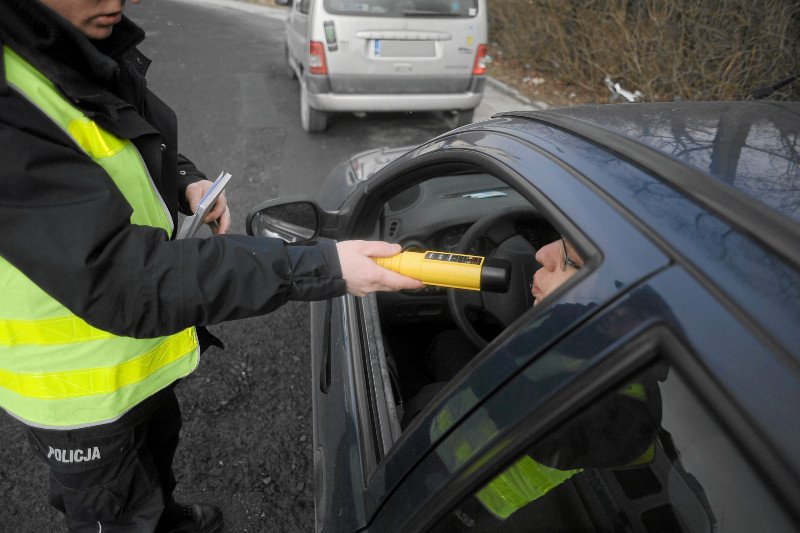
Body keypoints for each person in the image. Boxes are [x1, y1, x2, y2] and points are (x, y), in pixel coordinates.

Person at [0, 1, 421, 532]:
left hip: (137, 356)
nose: (115, 1)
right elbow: (124, 277)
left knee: (156, 461)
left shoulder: (71, 45)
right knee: (117, 511)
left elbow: (122, 133)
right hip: (75, 392)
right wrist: (325, 265)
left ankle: (168, 517)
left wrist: (183, 179)